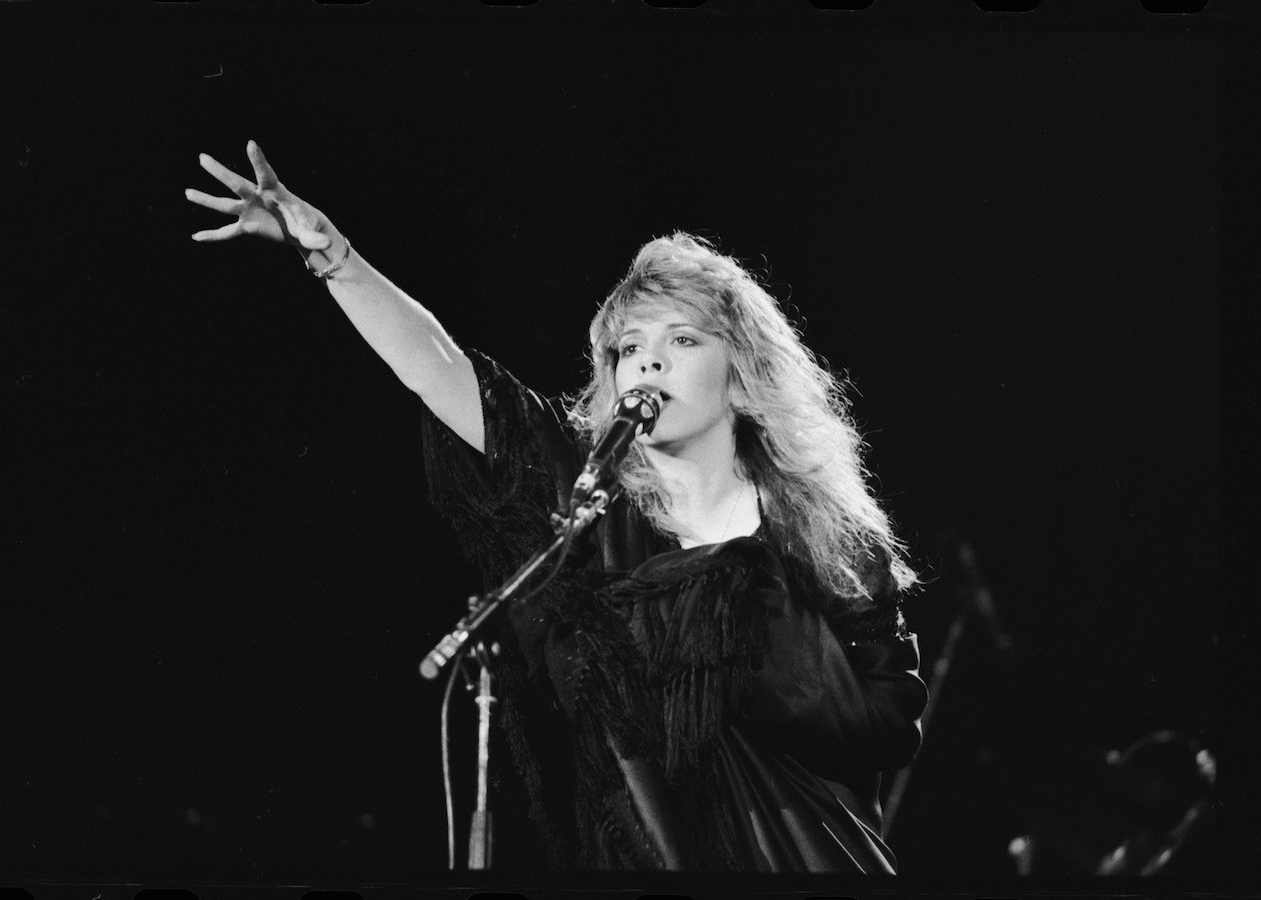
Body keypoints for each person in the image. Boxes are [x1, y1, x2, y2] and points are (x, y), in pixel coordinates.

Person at [186, 141, 928, 873]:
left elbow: (889, 718)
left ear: (740, 375)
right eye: (629, 346)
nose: (648, 360)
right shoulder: (589, 495)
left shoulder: (826, 537)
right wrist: (337, 259)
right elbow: (445, 373)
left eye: (682, 338)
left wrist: (749, 632)